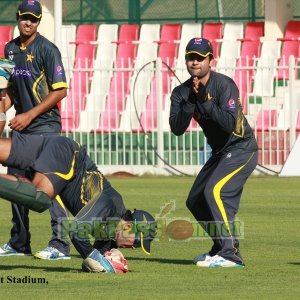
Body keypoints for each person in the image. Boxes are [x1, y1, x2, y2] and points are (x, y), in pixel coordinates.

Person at [0, 131, 157, 273]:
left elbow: (88, 262)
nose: (133, 247)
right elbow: (75, 230)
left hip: (59, 150)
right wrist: (95, 258)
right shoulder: (112, 206)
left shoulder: (110, 234)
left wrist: (108, 261)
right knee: (39, 199)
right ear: (129, 225)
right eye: (137, 241)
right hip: (66, 155)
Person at [169, 37, 258, 268]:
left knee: (214, 191)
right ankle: (220, 247)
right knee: (195, 200)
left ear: (210, 60)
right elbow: (177, 128)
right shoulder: (181, 92)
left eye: (200, 58)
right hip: (220, 152)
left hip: (241, 147)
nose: (195, 62)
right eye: (191, 57)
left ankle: (230, 254)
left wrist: (205, 101)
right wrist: (191, 101)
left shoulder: (224, 84)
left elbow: (229, 124)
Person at [0, 0, 70, 260]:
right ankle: (19, 242)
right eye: (24, 17)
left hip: (45, 128)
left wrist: (28, 115)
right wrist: (2, 108)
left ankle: (60, 245)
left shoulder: (48, 50)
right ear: (17, 18)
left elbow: (60, 90)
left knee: (49, 186)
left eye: (34, 19)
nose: (28, 22)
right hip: (22, 129)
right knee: (16, 185)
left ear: (39, 22)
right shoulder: (8, 49)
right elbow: (6, 94)